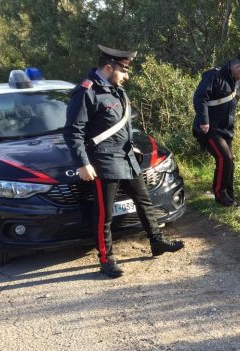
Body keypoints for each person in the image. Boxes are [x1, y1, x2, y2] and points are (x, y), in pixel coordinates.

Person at [64, 44, 184, 278]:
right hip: (104, 163)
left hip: (127, 158)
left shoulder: (117, 90)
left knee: (144, 201)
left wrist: (132, 144)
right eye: (124, 71)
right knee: (104, 215)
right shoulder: (86, 92)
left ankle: (156, 242)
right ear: (109, 68)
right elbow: (73, 131)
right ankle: (106, 259)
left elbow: (120, 123)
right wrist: (82, 163)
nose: (127, 76)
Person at [192, 52, 240, 206]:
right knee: (224, 158)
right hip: (210, 129)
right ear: (237, 66)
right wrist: (204, 120)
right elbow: (200, 97)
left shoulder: (235, 81)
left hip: (226, 130)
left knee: (230, 162)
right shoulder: (213, 75)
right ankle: (220, 194)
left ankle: (229, 194)